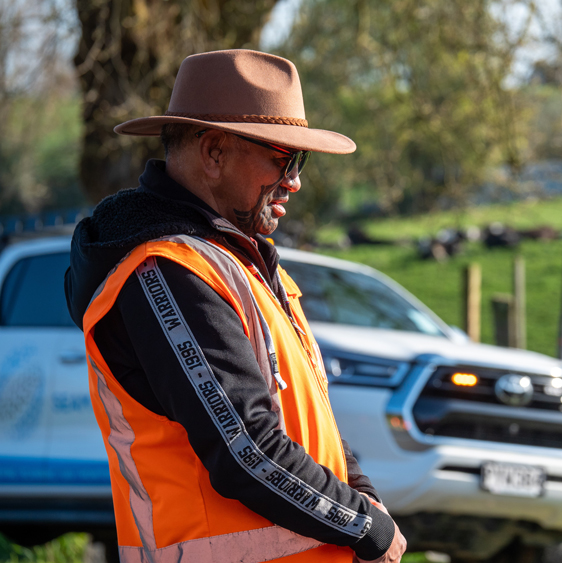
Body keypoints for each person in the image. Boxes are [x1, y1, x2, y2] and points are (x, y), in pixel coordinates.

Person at [64, 49, 407, 563]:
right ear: (214, 152)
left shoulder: (236, 265)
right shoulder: (169, 270)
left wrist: (362, 492)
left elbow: (309, 425)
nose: (293, 179)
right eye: (281, 157)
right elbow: (245, 451)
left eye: (301, 161)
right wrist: (365, 525)